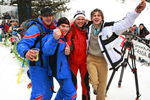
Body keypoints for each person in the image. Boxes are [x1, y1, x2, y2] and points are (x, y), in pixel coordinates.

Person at [86, 1, 146, 100]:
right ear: (91, 18)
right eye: (94, 15)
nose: (96, 17)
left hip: (103, 60)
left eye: (99, 15)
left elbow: (124, 23)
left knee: (102, 85)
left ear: (102, 18)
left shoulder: (108, 27)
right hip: (91, 58)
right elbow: (76, 23)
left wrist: (136, 12)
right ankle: (94, 85)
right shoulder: (87, 27)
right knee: (94, 80)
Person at [17, 7, 56, 100]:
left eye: (50, 15)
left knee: (48, 93)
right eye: (45, 16)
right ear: (41, 17)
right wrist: (26, 52)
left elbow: (66, 25)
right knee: (40, 95)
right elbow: (22, 44)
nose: (48, 18)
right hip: (37, 67)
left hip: (48, 67)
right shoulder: (35, 28)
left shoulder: (52, 28)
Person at [42, 17, 77, 100]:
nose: (65, 29)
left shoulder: (62, 38)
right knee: (72, 95)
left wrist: (67, 53)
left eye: (67, 27)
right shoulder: (53, 36)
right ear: (57, 27)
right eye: (63, 26)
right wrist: (54, 39)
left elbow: (58, 54)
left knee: (62, 92)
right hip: (60, 73)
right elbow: (46, 51)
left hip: (64, 71)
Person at [66, 10, 90, 100]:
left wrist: (90, 22)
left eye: (82, 19)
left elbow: (99, 25)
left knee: (85, 84)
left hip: (85, 62)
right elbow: (61, 28)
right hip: (73, 61)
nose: (80, 21)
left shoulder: (88, 29)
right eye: (78, 19)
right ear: (74, 20)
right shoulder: (71, 29)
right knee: (72, 84)